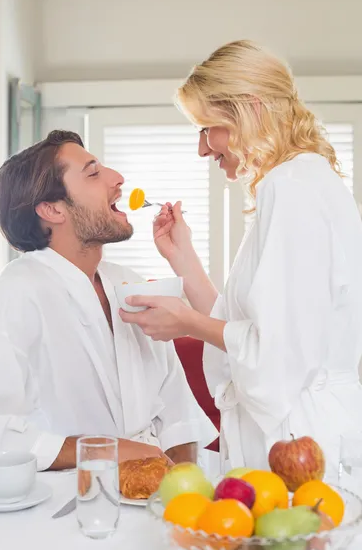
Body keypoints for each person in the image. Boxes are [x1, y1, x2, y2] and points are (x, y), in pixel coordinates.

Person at [120, 40, 362, 478]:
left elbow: (278, 352)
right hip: (295, 430)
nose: (203, 149)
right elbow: (249, 328)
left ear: (249, 109)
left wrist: (185, 323)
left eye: (207, 128)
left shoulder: (291, 188)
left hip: (299, 439)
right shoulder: (296, 183)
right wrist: (185, 262)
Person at [0, 130, 218, 471]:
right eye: (93, 173)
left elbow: (178, 412)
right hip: (60, 505)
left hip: (151, 500)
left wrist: (181, 489)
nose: (117, 179)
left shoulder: (130, 285)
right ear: (52, 209)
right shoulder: (12, 297)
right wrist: (104, 450)